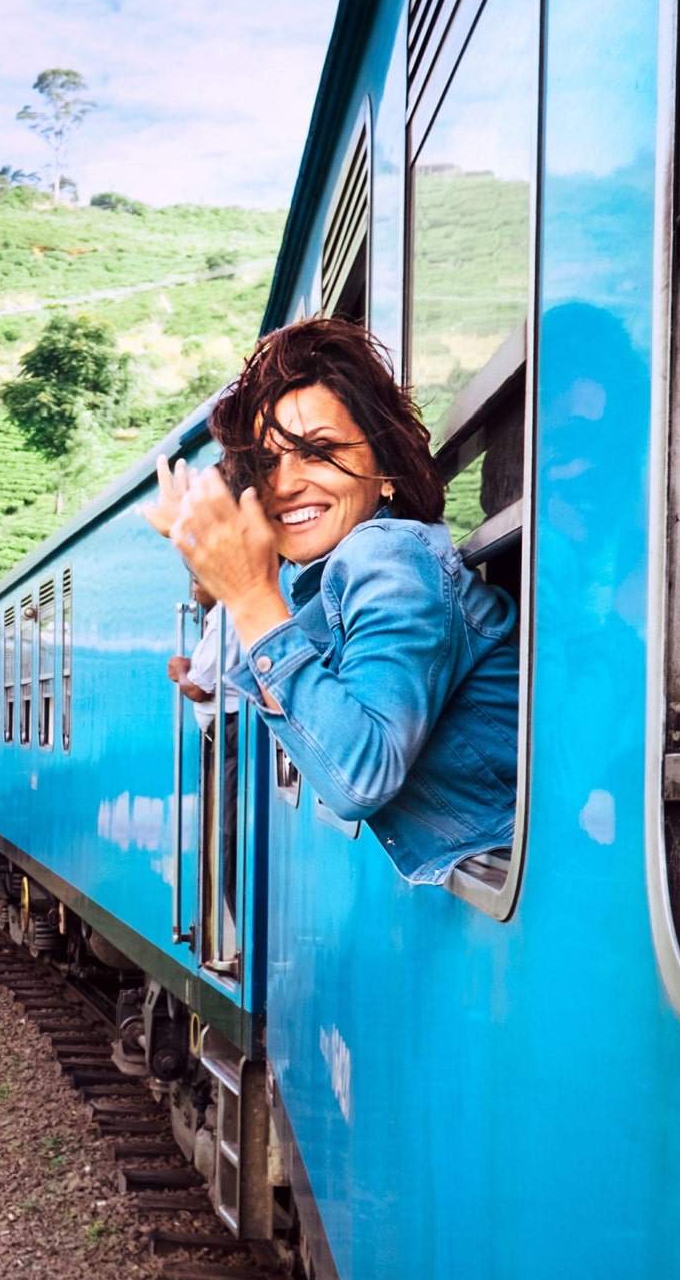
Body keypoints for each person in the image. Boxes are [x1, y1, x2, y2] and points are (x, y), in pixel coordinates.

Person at [145, 317, 519, 885]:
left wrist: (247, 595)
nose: (286, 484)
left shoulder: (386, 554)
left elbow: (359, 777)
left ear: (386, 470)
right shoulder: (329, 579)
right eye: (269, 463)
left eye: (317, 451)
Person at [167, 578, 241, 959]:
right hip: (225, 735)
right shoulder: (218, 617)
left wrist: (181, 671)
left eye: (196, 580)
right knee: (225, 836)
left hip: (230, 737)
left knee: (227, 839)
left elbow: (200, 686)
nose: (191, 588)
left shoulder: (227, 615)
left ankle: (242, 936)